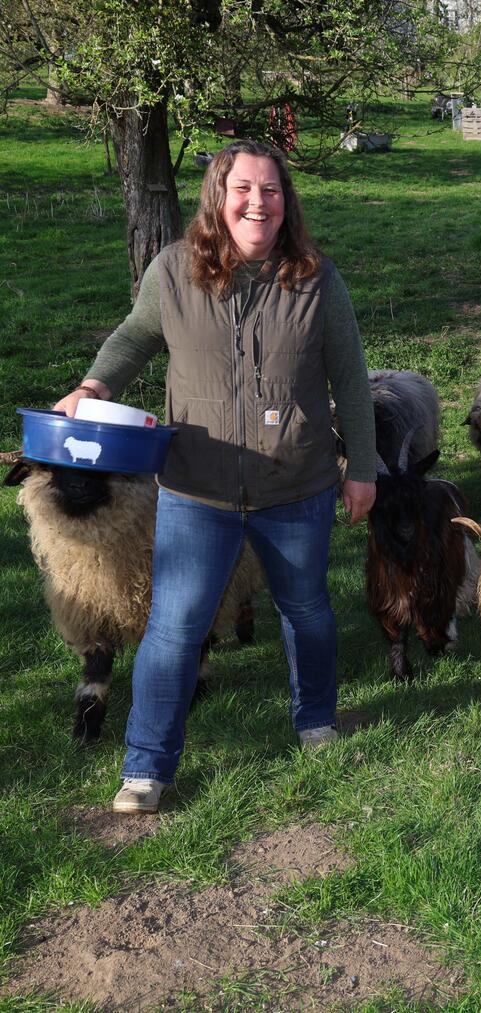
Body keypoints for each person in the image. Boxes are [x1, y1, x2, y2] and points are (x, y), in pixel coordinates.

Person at [54, 139, 378, 812]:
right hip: (197, 488)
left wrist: (364, 469)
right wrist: (94, 384)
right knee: (173, 625)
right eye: (244, 189)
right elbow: (133, 337)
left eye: (271, 190)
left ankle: (315, 720)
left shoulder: (317, 278)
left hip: (297, 484)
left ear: (287, 203)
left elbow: (349, 378)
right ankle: (146, 767)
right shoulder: (173, 272)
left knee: (308, 612)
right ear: (218, 198)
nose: (258, 201)